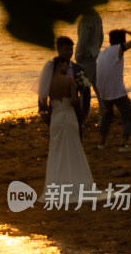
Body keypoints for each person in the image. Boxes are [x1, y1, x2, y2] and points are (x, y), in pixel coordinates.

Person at [40, 56, 96, 203]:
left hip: (56, 119)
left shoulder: (48, 83)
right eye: (65, 64)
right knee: (73, 150)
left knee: (57, 151)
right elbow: (75, 100)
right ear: (60, 65)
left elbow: (44, 104)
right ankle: (76, 185)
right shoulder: (69, 80)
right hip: (69, 117)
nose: (67, 66)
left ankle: (57, 187)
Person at [95, 29, 131, 152]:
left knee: (107, 114)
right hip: (116, 91)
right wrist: (127, 31)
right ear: (123, 40)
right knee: (128, 117)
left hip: (103, 91)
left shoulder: (103, 52)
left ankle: (101, 142)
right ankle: (123, 144)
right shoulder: (119, 49)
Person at [37, 37, 90, 138]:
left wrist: (85, 111)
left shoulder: (78, 69)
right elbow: (43, 89)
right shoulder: (50, 69)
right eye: (67, 49)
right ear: (59, 50)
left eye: (71, 49)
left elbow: (86, 92)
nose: (70, 52)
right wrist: (42, 111)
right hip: (55, 110)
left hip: (75, 111)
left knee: (77, 139)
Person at [74, 0, 104, 111]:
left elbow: (83, 39)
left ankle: (81, 114)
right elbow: (101, 37)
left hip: (85, 57)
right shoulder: (96, 16)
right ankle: (105, 112)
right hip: (96, 54)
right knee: (98, 87)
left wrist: (78, 56)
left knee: (82, 89)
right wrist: (97, 49)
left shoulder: (85, 19)